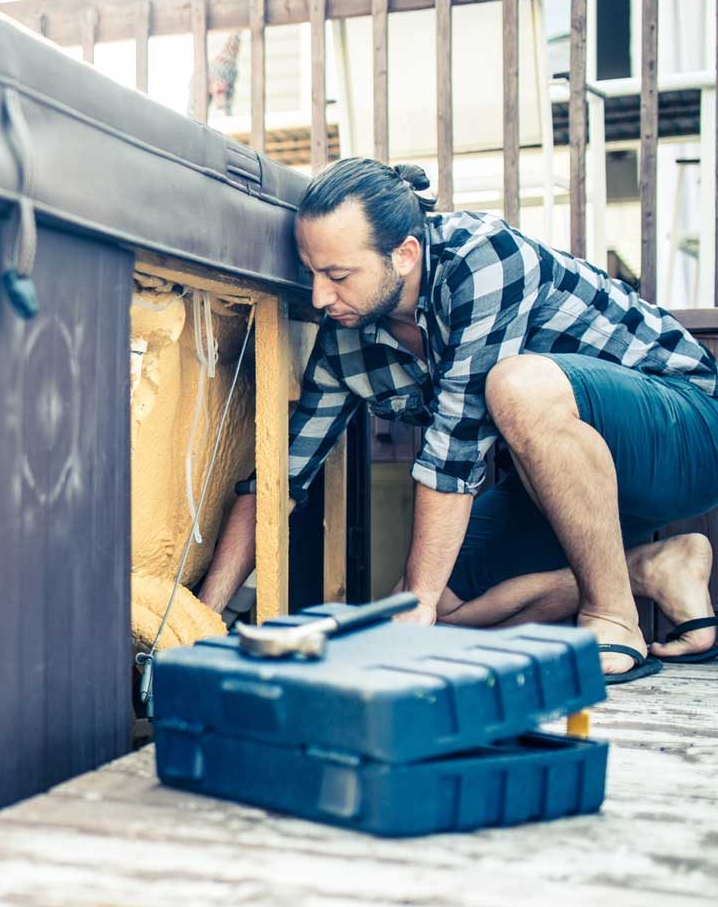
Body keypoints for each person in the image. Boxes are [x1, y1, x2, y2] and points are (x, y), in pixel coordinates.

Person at [196, 157, 718, 680]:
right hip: (569, 490)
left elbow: (455, 450)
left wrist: (415, 604)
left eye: (338, 275)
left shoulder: (484, 257)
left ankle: (612, 616)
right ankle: (650, 569)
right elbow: (277, 481)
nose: (319, 297)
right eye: (311, 274)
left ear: (404, 255)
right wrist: (205, 620)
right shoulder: (346, 343)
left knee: (516, 386)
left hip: (687, 426)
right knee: (439, 610)